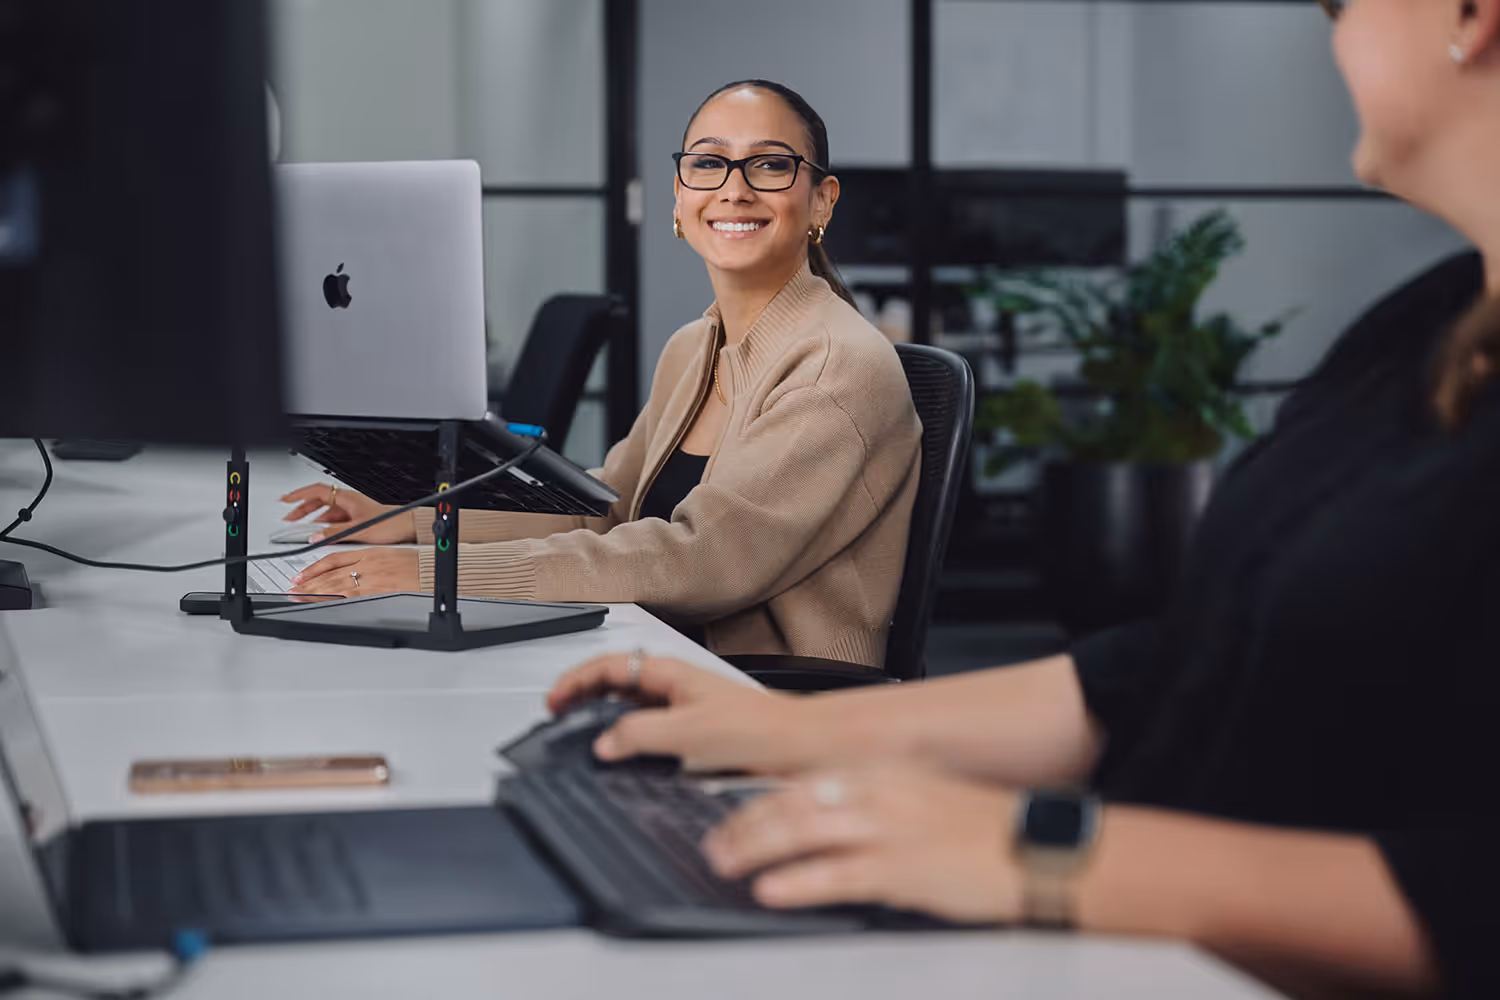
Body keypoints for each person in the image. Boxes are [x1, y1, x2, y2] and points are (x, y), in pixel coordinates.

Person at [547, 1, 1500, 995]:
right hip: (1142, 942)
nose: (1329, 33)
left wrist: (1032, 855)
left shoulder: (833, 362)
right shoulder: (1418, 334)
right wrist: (790, 733)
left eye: (1341, 6)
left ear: (1471, 17)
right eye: (706, 162)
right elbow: (1177, 662)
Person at [281, 80, 922, 669]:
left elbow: (704, 560)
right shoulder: (695, 346)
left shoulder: (837, 368)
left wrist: (435, 570)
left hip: (767, 698)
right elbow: (604, 515)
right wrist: (419, 522)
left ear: (822, 200)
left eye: (771, 164)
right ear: (680, 196)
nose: (735, 188)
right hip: (652, 650)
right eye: (708, 162)